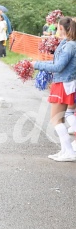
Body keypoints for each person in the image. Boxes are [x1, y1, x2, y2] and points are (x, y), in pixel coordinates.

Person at [32, 17, 76, 162]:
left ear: (62, 29)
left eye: (57, 27)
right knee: (60, 119)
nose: (56, 30)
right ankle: (65, 150)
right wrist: (38, 63)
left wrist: (37, 65)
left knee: (55, 119)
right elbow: (56, 63)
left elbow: (58, 67)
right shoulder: (66, 43)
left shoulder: (70, 46)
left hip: (63, 83)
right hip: (62, 82)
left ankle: (69, 151)